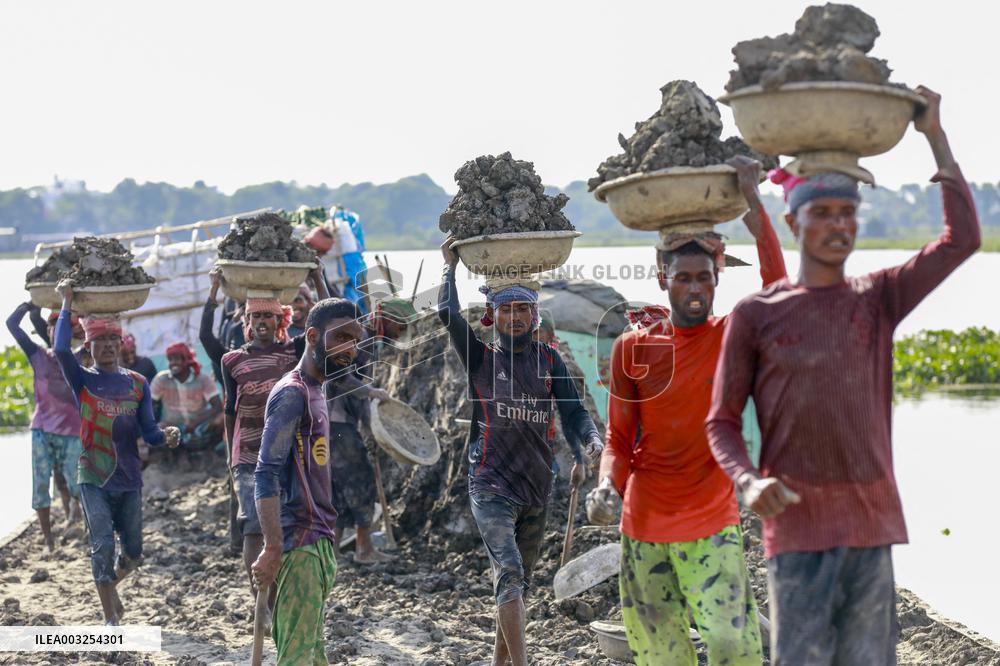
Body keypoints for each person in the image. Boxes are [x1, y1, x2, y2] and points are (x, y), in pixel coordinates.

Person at [705, 89, 980, 665]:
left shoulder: (878, 298)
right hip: (797, 530)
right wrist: (748, 482)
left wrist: (934, 135)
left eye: (848, 213)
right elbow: (722, 422)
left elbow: (962, 242)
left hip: (870, 525)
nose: (838, 225)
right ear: (793, 221)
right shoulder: (758, 315)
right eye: (823, 213)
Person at [585, 157, 784, 666]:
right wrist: (606, 486)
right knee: (660, 650)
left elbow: (777, 287)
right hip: (644, 522)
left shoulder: (732, 336)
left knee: (731, 642)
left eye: (703, 277)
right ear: (662, 279)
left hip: (712, 517)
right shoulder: (633, 348)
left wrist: (753, 203)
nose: (694, 288)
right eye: (682, 278)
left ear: (717, 278)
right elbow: (619, 439)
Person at [438, 241, 604, 666]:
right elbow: (448, 315)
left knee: (515, 582)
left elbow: (574, 412)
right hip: (490, 484)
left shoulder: (549, 360)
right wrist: (449, 269)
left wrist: (591, 441)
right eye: (506, 310)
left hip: (536, 487)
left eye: (523, 310)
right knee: (509, 570)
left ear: (534, 315)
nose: (515, 317)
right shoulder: (480, 358)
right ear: (492, 315)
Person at [54, 281, 180, 625]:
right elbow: (61, 349)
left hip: (129, 477)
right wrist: (66, 302)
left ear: (121, 343)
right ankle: (110, 617)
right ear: (89, 346)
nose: (108, 345)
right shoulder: (82, 380)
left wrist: (166, 435)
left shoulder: (137, 383)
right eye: (100, 340)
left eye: (113, 339)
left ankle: (111, 590)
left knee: (134, 553)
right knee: (102, 545)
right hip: (93, 474)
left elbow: (149, 432)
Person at [251, 298, 365, 665]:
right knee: (298, 657)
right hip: (298, 542)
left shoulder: (318, 388)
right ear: (313, 337)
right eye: (341, 338)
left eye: (355, 340)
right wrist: (272, 547)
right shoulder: (293, 394)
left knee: (313, 654)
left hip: (319, 538)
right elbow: (266, 472)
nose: (350, 349)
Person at [223, 270, 329, 622]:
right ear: (247, 322)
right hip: (248, 455)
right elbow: (230, 409)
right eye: (255, 316)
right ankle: (262, 606)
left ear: (280, 319)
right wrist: (231, 456)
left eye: (268, 316)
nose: (261, 322)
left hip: (289, 455)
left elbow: (326, 328)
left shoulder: (294, 352)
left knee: (286, 524)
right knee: (254, 527)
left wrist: (318, 280)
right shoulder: (232, 360)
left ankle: (281, 598)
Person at [6, 303, 85, 551]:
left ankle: (82, 520)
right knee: (41, 485)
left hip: (72, 432)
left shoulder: (81, 356)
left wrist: (83, 314)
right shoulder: (38, 355)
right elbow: (11, 324)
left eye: (61, 327)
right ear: (47, 331)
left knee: (76, 484)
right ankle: (49, 539)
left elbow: (99, 333)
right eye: (51, 326)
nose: (55, 330)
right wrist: (29, 306)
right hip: (42, 430)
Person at [150, 342, 223, 456]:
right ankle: (177, 456)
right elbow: (149, 404)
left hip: (200, 425)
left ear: (187, 361)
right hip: (173, 425)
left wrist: (195, 422)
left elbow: (217, 406)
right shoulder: (161, 379)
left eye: (177, 359)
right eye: (170, 359)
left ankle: (209, 452)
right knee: (158, 430)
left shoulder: (202, 379)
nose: (173, 363)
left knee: (221, 420)